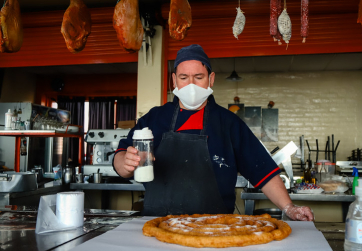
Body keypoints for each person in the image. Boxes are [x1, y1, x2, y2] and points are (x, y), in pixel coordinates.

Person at [113, 44, 314, 221]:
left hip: (216, 228)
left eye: (198, 77)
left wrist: (289, 207)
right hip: (159, 225)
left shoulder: (228, 123)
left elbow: (263, 171)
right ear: (174, 80)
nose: (190, 85)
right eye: (184, 78)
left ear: (211, 79)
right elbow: (121, 159)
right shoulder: (154, 119)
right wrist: (125, 162)